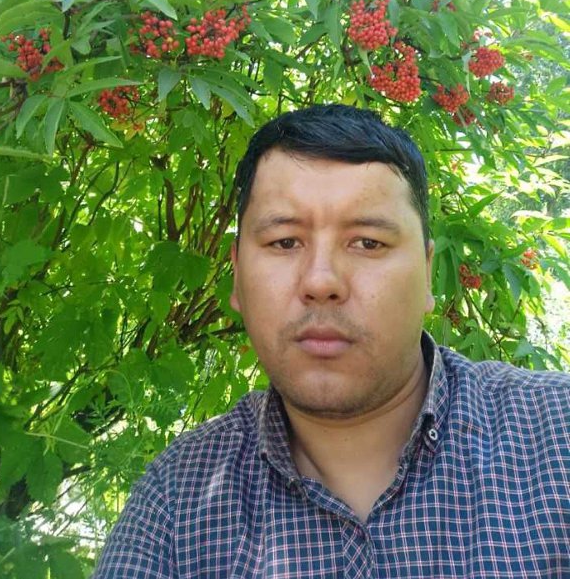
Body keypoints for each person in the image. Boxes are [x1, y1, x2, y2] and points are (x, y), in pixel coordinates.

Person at [92, 104, 570, 578]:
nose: (321, 281)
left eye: (367, 243)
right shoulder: (176, 503)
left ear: (427, 273)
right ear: (236, 275)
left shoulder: (557, 436)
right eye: (284, 242)